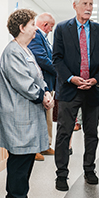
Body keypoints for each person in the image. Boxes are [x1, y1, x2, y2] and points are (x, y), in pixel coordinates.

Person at [0, 9, 54, 198]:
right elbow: (23, 83)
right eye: (32, 24)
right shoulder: (13, 51)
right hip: (18, 113)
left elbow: (37, 77)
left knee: (24, 156)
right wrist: (42, 96)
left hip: (28, 112)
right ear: (21, 28)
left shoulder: (25, 50)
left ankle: (13, 197)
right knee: (20, 158)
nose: (35, 28)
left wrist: (46, 91)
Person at [52, 0, 99, 191]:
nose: (88, 7)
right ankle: (61, 175)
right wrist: (71, 78)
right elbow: (57, 59)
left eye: (91, 4)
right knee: (64, 133)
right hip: (69, 89)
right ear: (75, 6)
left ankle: (89, 170)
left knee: (91, 133)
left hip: (92, 90)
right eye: (85, 3)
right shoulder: (61, 29)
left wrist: (95, 79)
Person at [27, 12, 57, 159]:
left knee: (47, 116)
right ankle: (36, 149)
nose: (51, 30)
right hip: (41, 84)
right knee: (39, 116)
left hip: (48, 83)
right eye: (51, 27)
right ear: (45, 25)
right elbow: (42, 59)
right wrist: (59, 71)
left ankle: (45, 145)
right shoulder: (36, 36)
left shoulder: (42, 38)